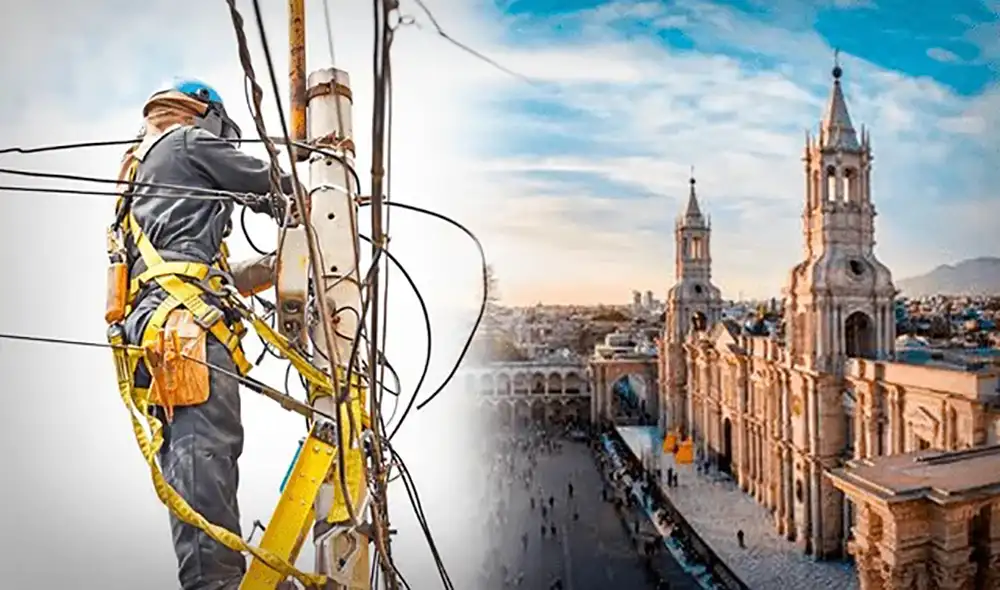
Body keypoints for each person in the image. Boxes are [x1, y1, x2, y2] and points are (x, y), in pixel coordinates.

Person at [114, 79, 296, 590]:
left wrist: (271, 268)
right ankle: (214, 582)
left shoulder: (137, 176)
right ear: (207, 117)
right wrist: (318, 206)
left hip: (162, 324)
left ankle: (209, 576)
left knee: (191, 458)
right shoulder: (188, 141)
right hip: (182, 327)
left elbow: (194, 270)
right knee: (205, 450)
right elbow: (273, 189)